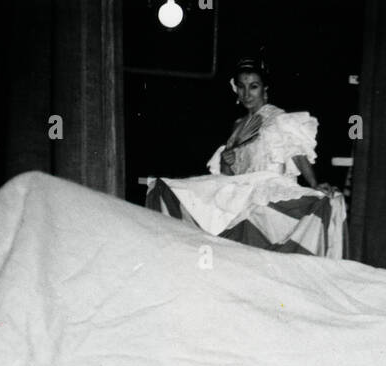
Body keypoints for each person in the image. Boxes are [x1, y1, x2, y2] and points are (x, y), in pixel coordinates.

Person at [148, 56, 347, 257]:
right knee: (179, 193)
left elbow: (296, 151)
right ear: (235, 89)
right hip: (242, 192)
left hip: (270, 188)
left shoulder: (277, 117)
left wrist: (314, 183)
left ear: (264, 88)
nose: (247, 93)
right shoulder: (238, 126)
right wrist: (228, 161)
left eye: (253, 86)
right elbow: (228, 174)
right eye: (242, 87)